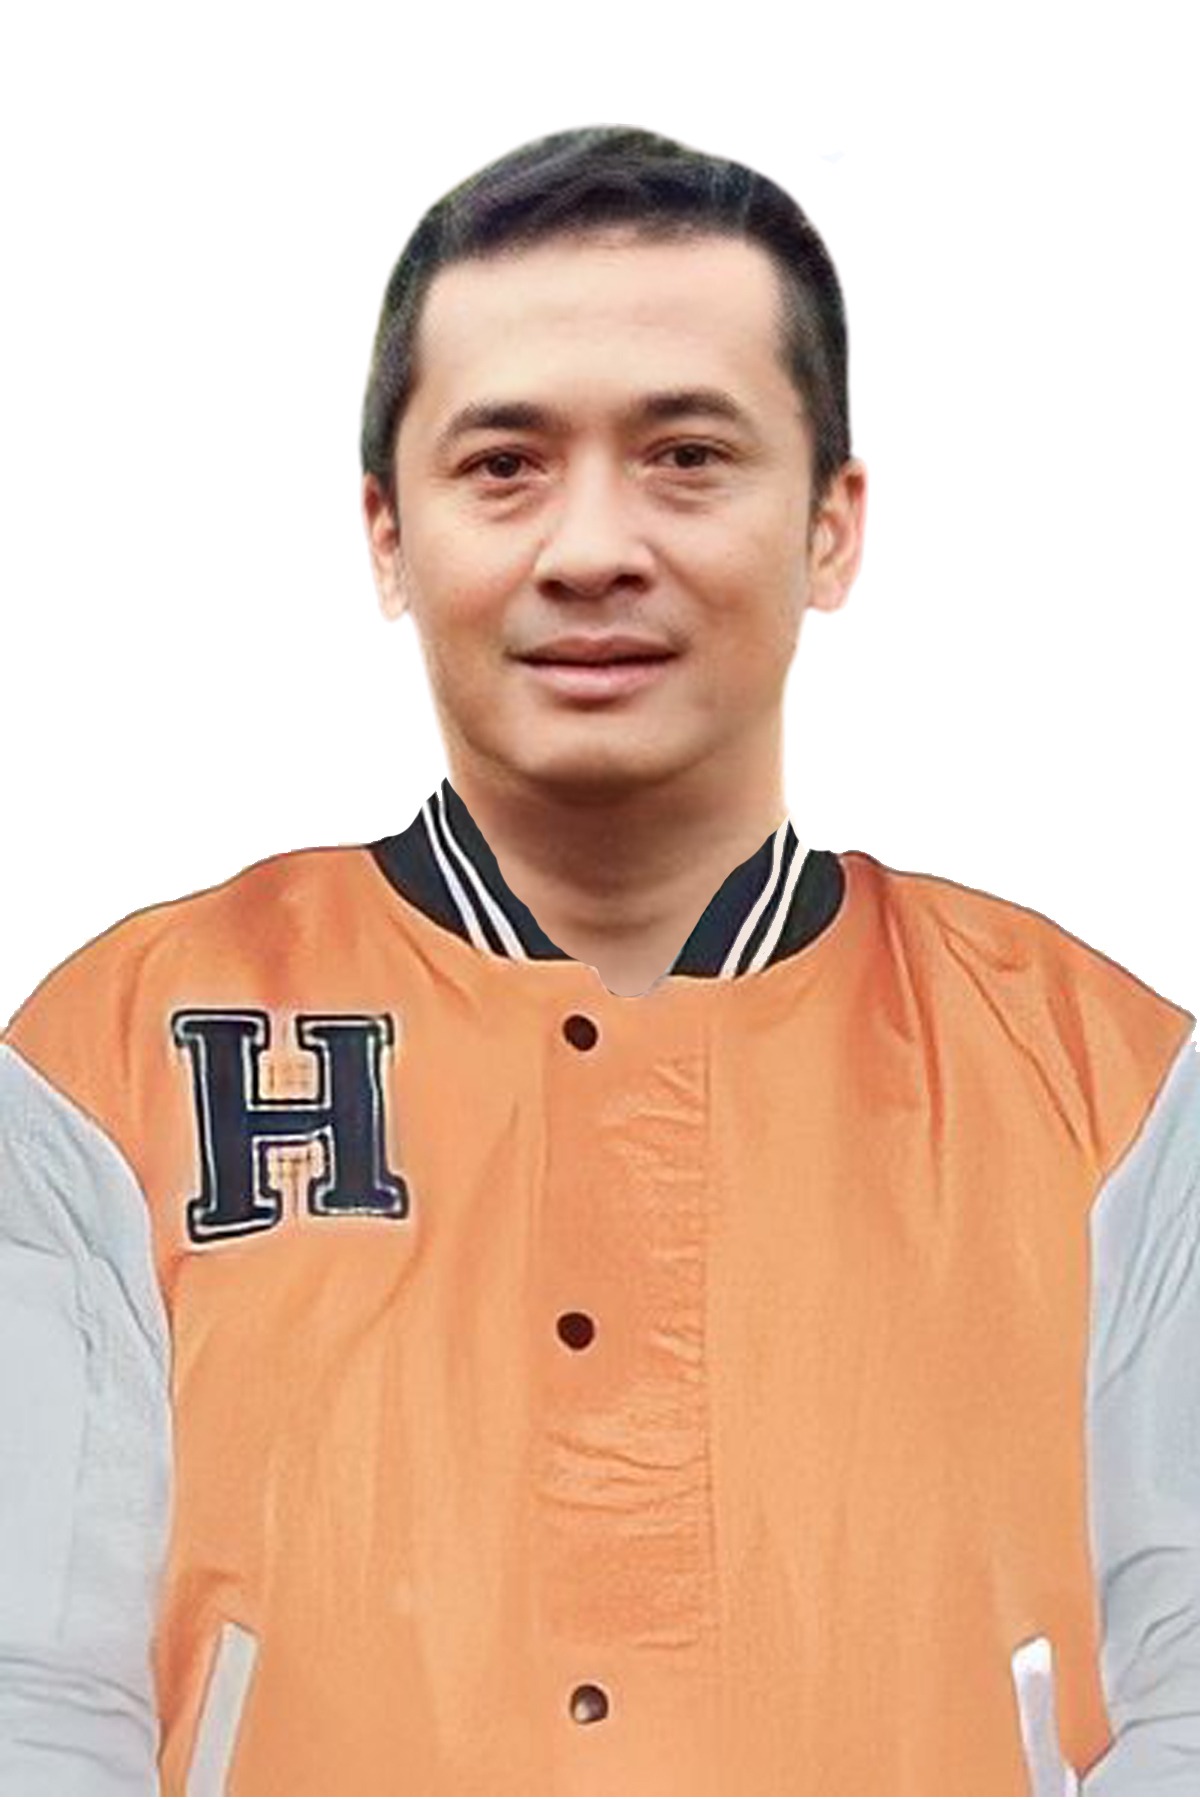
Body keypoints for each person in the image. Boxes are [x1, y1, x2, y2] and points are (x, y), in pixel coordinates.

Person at [1, 122, 1197, 1797]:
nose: (590, 549)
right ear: (387, 534)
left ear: (833, 525)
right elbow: (32, 1699)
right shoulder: (121, 1051)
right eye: (504, 464)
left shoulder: (1107, 1081)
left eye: (688, 456)